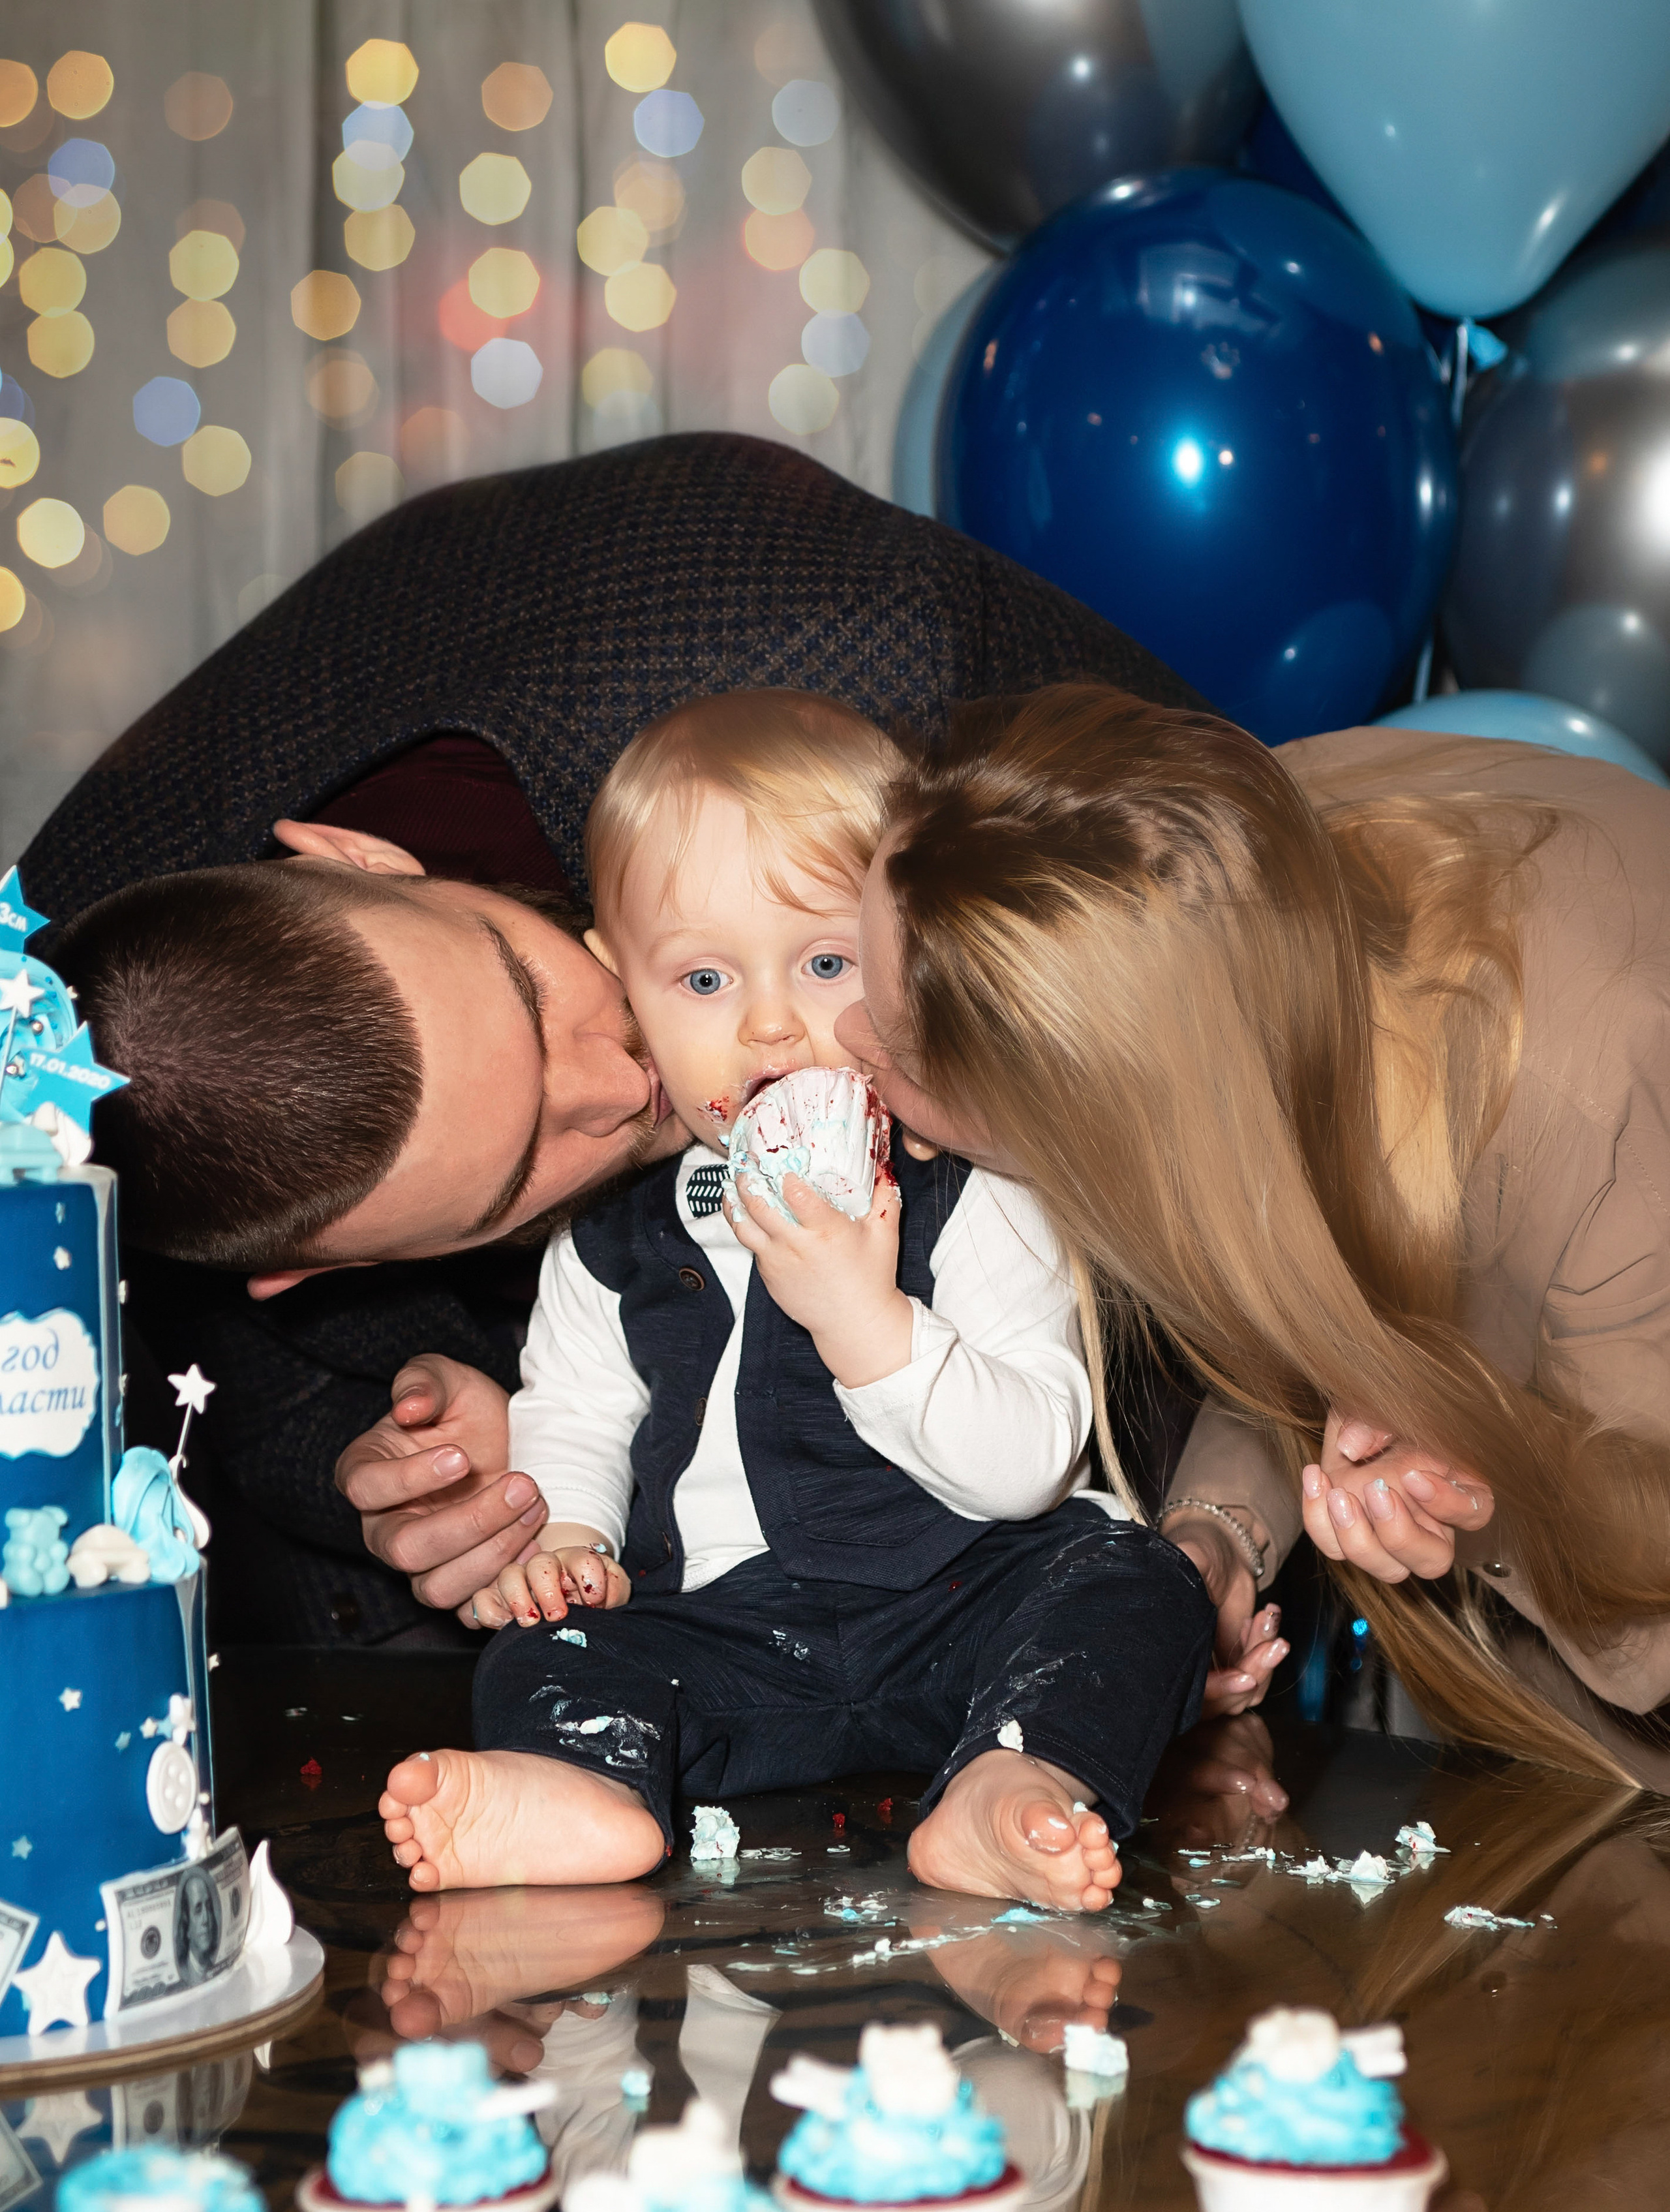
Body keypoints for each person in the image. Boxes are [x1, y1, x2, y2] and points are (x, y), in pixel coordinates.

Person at [31, 432, 1207, 1648]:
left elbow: (1233, 939)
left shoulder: (855, 648)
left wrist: (1210, 1524)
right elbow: (222, 1382)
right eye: (525, 1160)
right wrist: (414, 1473)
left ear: (359, 859)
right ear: (325, 1270)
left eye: (531, 996)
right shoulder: (81, 1159)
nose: (626, 1079)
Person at [378, 690, 1213, 1908]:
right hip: (720, 1633)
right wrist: (565, 1541)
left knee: (1135, 1584)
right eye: (704, 979)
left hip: (965, 1606)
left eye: (826, 964)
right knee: (544, 1651)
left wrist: (868, 1325)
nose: (770, 1024)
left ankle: (1012, 1779)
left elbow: (1031, 1460)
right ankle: (589, 1788)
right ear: (630, 994)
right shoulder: (610, 1239)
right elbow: (576, 1414)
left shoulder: (977, 1187)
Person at [835, 683, 1670, 1784]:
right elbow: (1276, 1264)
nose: (845, 1038)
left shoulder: (1607, 1111)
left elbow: (1645, 1591)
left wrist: (1478, 1497)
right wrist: (1218, 1537)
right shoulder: (1180, 889)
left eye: (898, 1051)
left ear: (1075, 1126)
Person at [174, 1866, 221, 1985]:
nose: (206, 1919)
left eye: (209, 1907)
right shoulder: (185, 1971)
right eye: (198, 1910)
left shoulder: (215, 1966)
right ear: (187, 1924)